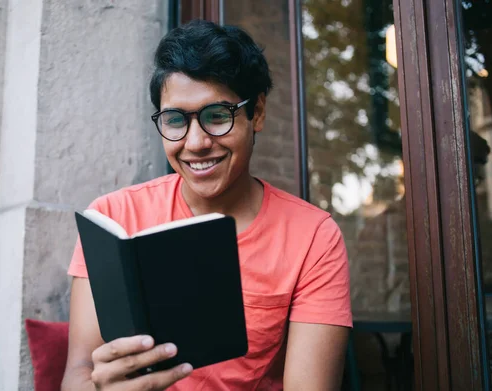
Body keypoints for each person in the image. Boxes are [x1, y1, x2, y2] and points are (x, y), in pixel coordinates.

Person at [61, 20, 352, 391]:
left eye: (217, 116)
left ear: (257, 113)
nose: (195, 143)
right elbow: (78, 373)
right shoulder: (112, 216)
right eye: (175, 120)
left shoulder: (313, 237)